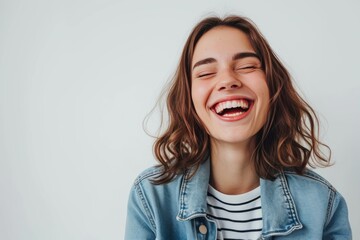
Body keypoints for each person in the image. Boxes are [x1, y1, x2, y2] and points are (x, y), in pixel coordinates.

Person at [124, 15, 352, 239]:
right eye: (205, 73)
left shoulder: (324, 205)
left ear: (272, 87)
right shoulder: (150, 198)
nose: (227, 80)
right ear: (189, 101)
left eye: (246, 66)